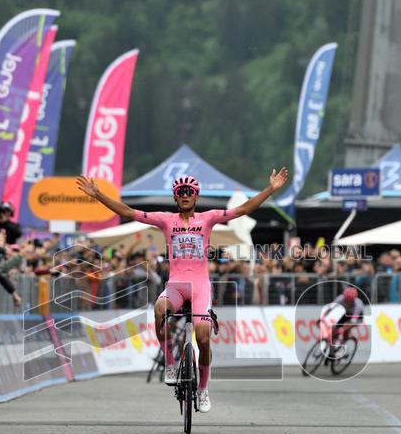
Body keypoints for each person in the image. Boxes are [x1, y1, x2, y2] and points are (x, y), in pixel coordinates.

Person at [76, 166, 288, 413]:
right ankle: (170, 362)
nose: (185, 195)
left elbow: (243, 209)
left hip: (200, 287)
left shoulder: (208, 218)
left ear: (196, 196)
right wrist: (99, 195)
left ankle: (203, 389)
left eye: (189, 191)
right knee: (159, 309)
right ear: (176, 197)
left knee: (203, 337)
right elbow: (128, 212)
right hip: (176, 285)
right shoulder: (166, 220)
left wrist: (271, 189)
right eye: (180, 192)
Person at [323, 286, 367, 358]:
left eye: (350, 301)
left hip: (357, 317)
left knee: (344, 329)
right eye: (346, 300)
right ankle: (332, 350)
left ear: (353, 300)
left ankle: (342, 347)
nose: (348, 302)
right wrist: (322, 317)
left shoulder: (358, 305)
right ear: (344, 297)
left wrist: (343, 329)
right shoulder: (340, 298)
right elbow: (330, 308)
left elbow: (353, 321)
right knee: (334, 330)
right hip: (346, 313)